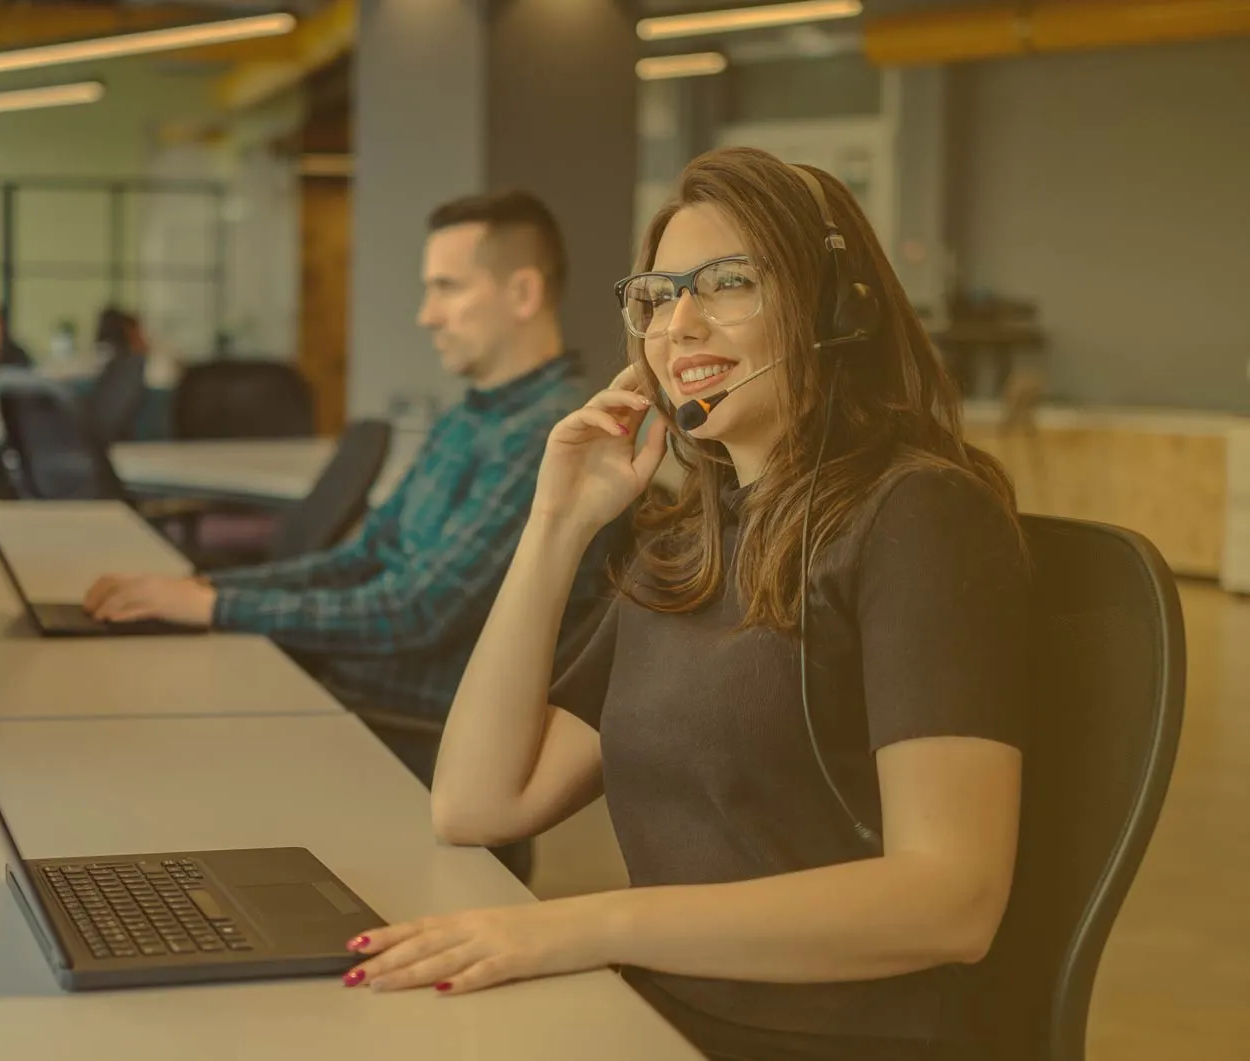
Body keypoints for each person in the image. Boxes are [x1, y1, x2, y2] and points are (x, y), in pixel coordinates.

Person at [337, 147, 1030, 1061]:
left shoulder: (920, 516)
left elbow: (953, 902)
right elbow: (476, 802)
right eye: (659, 297)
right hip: (654, 1021)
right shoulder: (690, 541)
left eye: (729, 282)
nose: (681, 325)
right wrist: (555, 524)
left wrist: (587, 925)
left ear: (833, 310)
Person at [83, 190, 614, 726]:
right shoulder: (472, 417)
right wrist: (205, 590)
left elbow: (415, 614)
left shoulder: (550, 437)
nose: (425, 315)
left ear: (523, 293)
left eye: (446, 289)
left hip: (401, 724)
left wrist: (211, 607)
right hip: (349, 686)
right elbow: (360, 559)